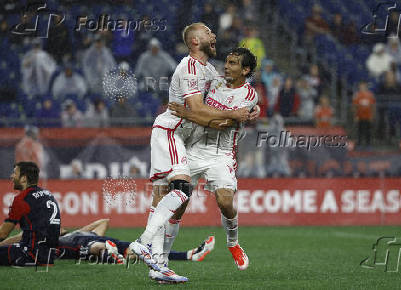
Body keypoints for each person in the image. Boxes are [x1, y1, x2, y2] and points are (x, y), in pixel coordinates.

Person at [128, 23, 253, 283]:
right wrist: (223, 114)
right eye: (209, 33)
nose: (214, 35)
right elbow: (196, 109)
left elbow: (214, 110)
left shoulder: (209, 71)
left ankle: (158, 266)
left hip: (190, 140)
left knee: (163, 198)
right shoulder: (189, 67)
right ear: (196, 41)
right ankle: (143, 244)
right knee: (180, 193)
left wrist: (249, 112)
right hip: (172, 132)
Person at [169, 47, 258, 271]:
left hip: (222, 154)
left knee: (225, 202)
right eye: (226, 62)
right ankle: (161, 259)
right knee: (178, 203)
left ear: (245, 70)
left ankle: (233, 244)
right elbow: (196, 103)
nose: (226, 66)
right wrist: (202, 112)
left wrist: (189, 114)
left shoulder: (248, 95)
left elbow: (222, 124)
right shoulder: (213, 82)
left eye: (233, 64)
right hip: (195, 148)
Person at [0, 219, 215, 265]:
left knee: (142, 251)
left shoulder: (77, 232)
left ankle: (190, 255)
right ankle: (189, 255)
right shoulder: (55, 240)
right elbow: (19, 238)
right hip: (87, 245)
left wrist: (83, 229)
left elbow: (104, 222)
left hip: (100, 240)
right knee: (93, 249)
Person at [0, 162, 61, 266]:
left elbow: (3, 233)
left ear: (23, 178)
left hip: (29, 254)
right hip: (48, 256)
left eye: (14, 173)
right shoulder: (48, 195)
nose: (11, 176)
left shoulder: (22, 199)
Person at [352, 82, 376, 147]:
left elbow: (373, 106)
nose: (362, 88)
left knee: (368, 130)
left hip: (368, 116)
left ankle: (368, 143)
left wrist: (372, 116)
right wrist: (355, 116)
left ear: (366, 87)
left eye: (363, 86)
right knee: (360, 129)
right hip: (360, 116)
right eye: (361, 86)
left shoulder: (370, 95)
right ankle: (359, 142)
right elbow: (354, 106)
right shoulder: (357, 95)